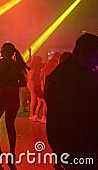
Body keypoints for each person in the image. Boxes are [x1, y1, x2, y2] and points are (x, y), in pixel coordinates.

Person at [45, 33, 98, 170]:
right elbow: (80, 110)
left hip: (70, 142)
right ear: (83, 52)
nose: (96, 61)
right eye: (95, 56)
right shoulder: (69, 76)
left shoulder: (70, 71)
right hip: (75, 143)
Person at [0, 43, 30, 163]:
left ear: (2, 52)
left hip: (1, 93)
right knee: (10, 125)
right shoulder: (17, 65)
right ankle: (12, 152)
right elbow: (23, 82)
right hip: (13, 95)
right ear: (13, 53)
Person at [27, 55, 45, 123]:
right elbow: (31, 77)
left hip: (30, 83)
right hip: (32, 83)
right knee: (33, 99)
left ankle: (32, 114)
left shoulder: (31, 66)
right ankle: (31, 115)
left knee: (34, 99)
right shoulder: (34, 68)